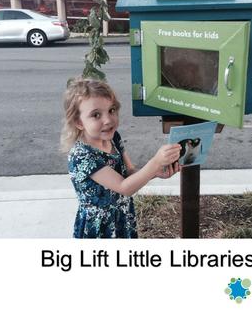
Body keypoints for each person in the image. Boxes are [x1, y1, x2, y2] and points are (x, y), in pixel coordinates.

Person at [60, 78, 181, 238]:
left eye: (111, 110)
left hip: (122, 216)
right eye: (96, 115)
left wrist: (155, 171)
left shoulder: (113, 137)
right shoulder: (82, 155)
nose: (108, 120)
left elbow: (129, 172)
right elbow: (124, 187)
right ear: (79, 122)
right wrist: (155, 162)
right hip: (100, 227)